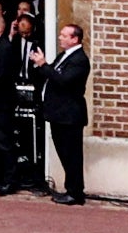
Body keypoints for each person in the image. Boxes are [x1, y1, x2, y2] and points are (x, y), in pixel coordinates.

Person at [38, 21, 94, 206]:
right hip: (58, 114)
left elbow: (63, 80)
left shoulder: (79, 60)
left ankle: (76, 192)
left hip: (70, 116)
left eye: (64, 35)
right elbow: (52, 73)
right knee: (64, 153)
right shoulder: (65, 56)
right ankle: (71, 188)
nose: (60, 38)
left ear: (74, 39)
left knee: (72, 155)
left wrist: (44, 65)